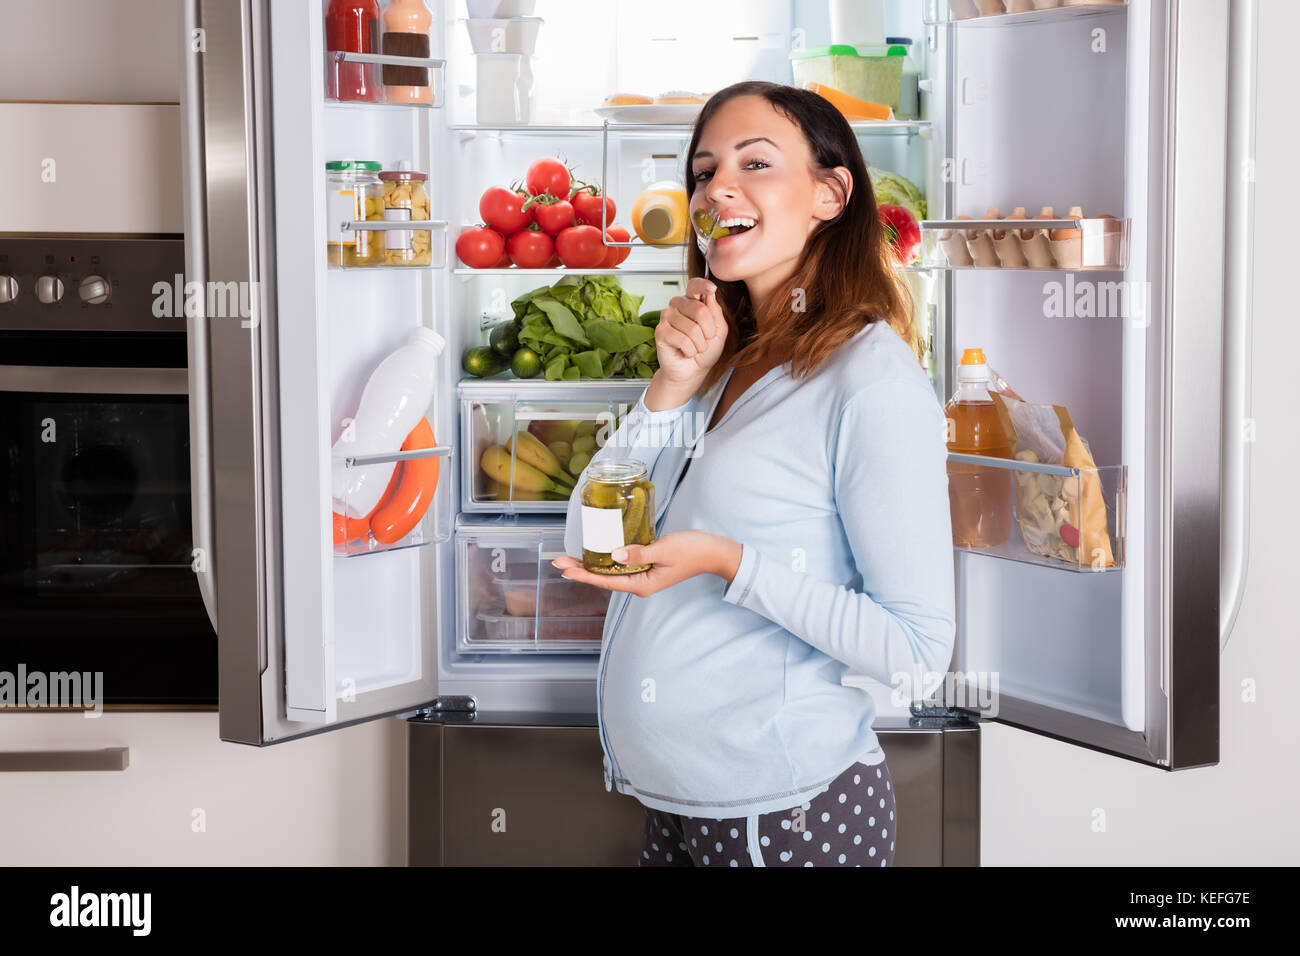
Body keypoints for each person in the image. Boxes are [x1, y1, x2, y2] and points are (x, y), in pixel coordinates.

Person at [555, 80, 955, 867]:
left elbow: (916, 652)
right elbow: (591, 539)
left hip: (788, 816)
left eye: (756, 163)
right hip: (680, 803)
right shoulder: (720, 363)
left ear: (831, 193)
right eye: (703, 171)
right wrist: (667, 389)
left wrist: (726, 561)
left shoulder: (870, 379)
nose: (716, 189)